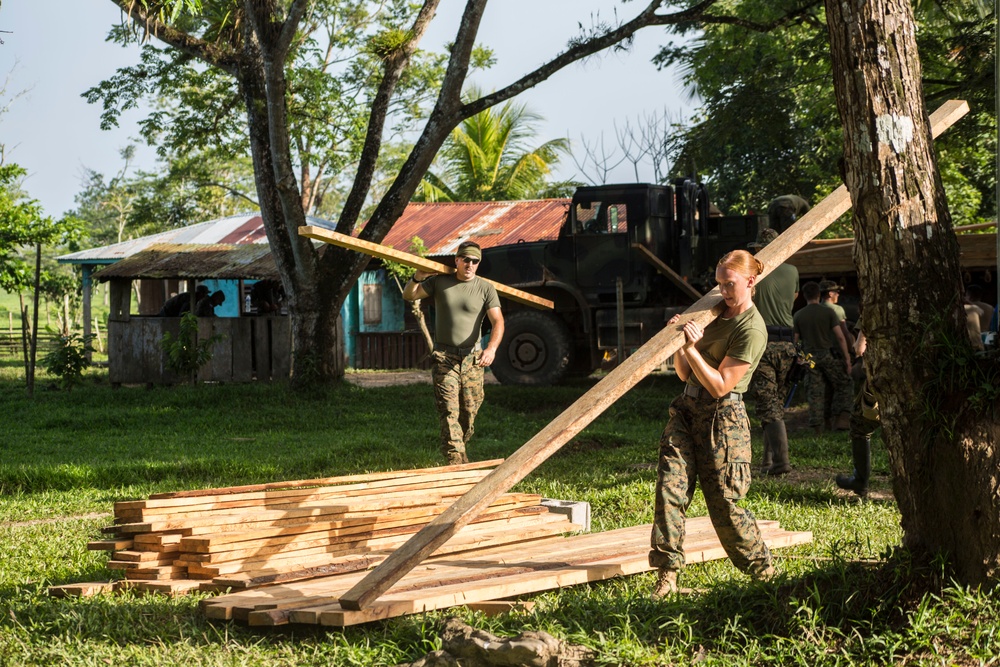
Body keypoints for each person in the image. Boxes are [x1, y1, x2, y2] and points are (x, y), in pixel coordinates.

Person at [649, 249, 775, 599]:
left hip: (723, 420)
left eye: (729, 284)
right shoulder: (712, 316)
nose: (722, 290)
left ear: (750, 282)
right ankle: (667, 574)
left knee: (725, 505)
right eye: (718, 283)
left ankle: (764, 574)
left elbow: (720, 384)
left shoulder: (752, 328)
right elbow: (683, 374)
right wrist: (680, 340)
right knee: (669, 490)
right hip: (687, 409)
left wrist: (690, 346)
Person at [403, 241, 505, 465]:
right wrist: (418, 276)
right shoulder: (439, 282)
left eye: (475, 261)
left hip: (473, 359)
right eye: (466, 259)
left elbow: (498, 321)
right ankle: (455, 463)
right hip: (444, 358)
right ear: (457, 260)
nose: (470, 264)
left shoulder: (486, 288)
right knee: (449, 411)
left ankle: (460, 451)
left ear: (479, 264)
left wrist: (491, 349)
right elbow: (409, 295)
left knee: (468, 414)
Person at [746, 228, 799, 475]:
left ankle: (780, 464)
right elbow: (794, 296)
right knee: (776, 404)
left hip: (764, 343)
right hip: (789, 345)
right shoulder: (793, 271)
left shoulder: (754, 274)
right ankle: (767, 462)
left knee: (768, 405)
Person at [793, 282, 853, 433]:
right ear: (818, 295)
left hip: (809, 357)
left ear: (804, 296)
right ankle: (841, 417)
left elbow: (795, 341)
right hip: (826, 354)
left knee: (815, 391)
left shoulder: (799, 315)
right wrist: (847, 358)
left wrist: (798, 358)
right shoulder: (829, 313)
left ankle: (817, 427)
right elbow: (840, 337)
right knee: (844, 383)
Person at [835, 331, 879, 497]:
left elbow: (859, 348)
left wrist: (859, 340)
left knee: (860, 425)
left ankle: (860, 481)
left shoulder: (872, 305)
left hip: (881, 373)